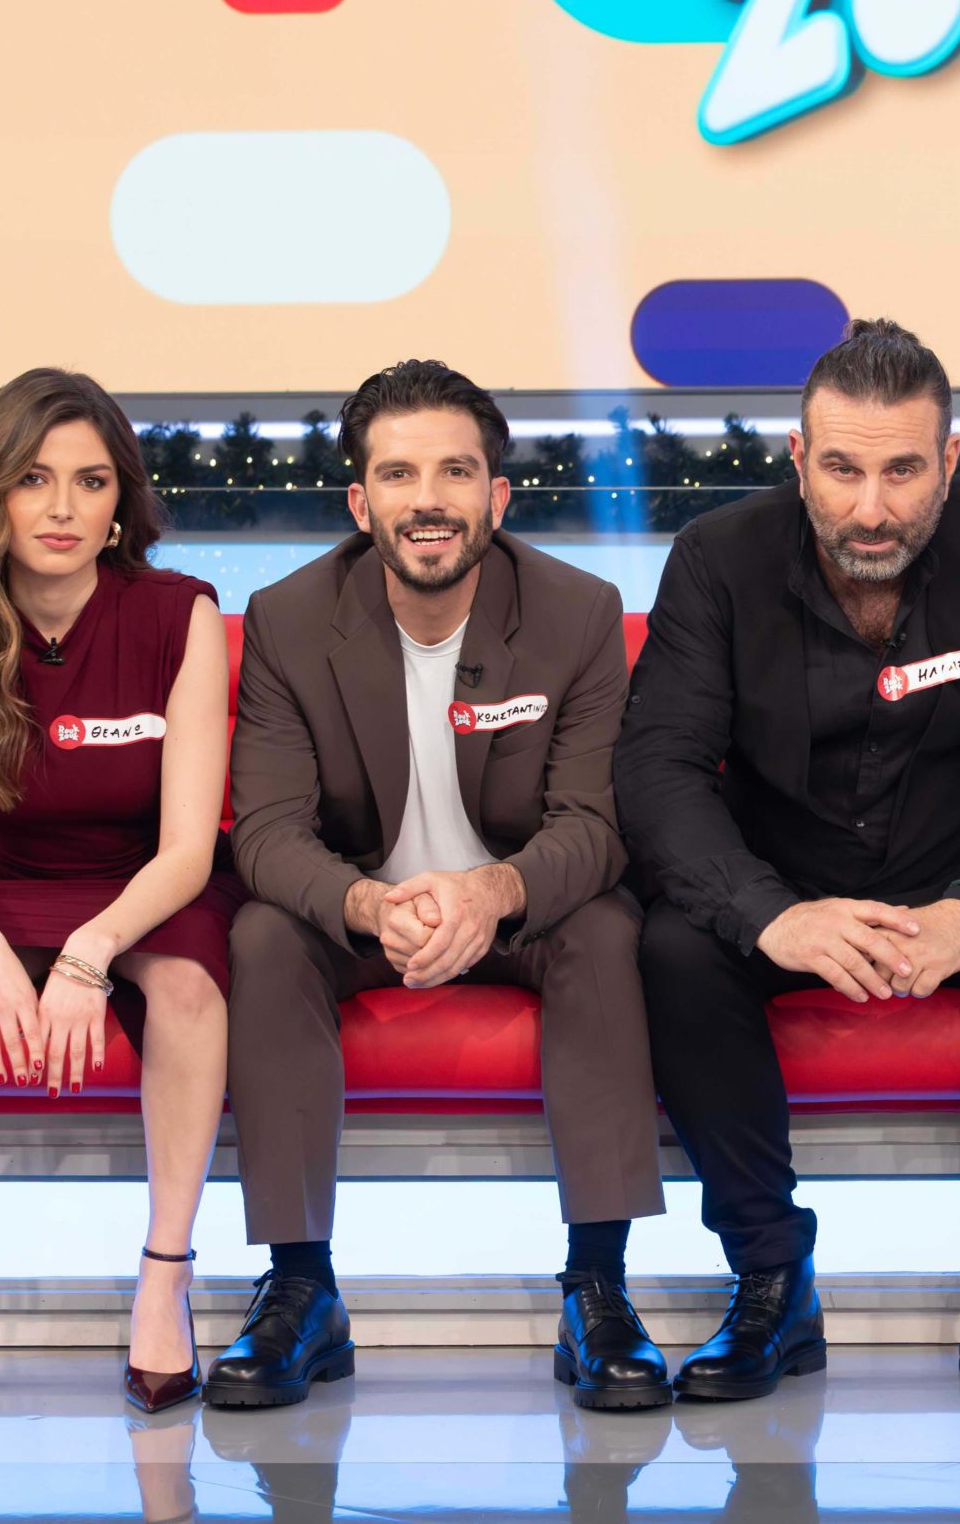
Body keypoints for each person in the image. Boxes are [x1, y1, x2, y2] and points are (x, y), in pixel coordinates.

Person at [617, 318, 960, 1405]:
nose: (872, 509)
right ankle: (769, 1278)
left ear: (949, 460)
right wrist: (769, 914)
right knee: (674, 946)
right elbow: (657, 769)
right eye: (842, 470)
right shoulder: (716, 557)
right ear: (799, 458)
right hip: (784, 893)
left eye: (902, 472)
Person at [207, 360, 667, 1410]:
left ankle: (598, 1287)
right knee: (263, 936)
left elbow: (596, 825)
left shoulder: (577, 612)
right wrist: (371, 905)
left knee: (607, 928)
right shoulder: (288, 619)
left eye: (456, 472)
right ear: (359, 502)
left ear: (497, 497)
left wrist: (491, 894)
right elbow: (267, 831)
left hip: (518, 909)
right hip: (361, 914)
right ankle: (300, 1287)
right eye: (399, 474)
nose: (429, 500)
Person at [0, 368, 240, 1414]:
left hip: (146, 890)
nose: (63, 508)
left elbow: (188, 851)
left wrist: (89, 954)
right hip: (4, 883)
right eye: (34, 479)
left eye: (91, 480)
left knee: (188, 991)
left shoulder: (178, 614)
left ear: (122, 497)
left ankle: (164, 1280)